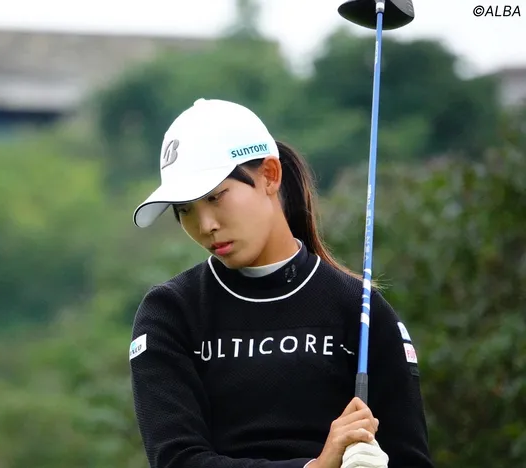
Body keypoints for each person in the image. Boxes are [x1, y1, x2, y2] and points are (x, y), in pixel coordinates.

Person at [128, 98, 434, 468]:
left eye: (215, 197)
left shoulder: (360, 309)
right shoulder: (170, 313)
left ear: (270, 176)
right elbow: (177, 461)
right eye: (185, 210)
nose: (206, 225)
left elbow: (410, 458)